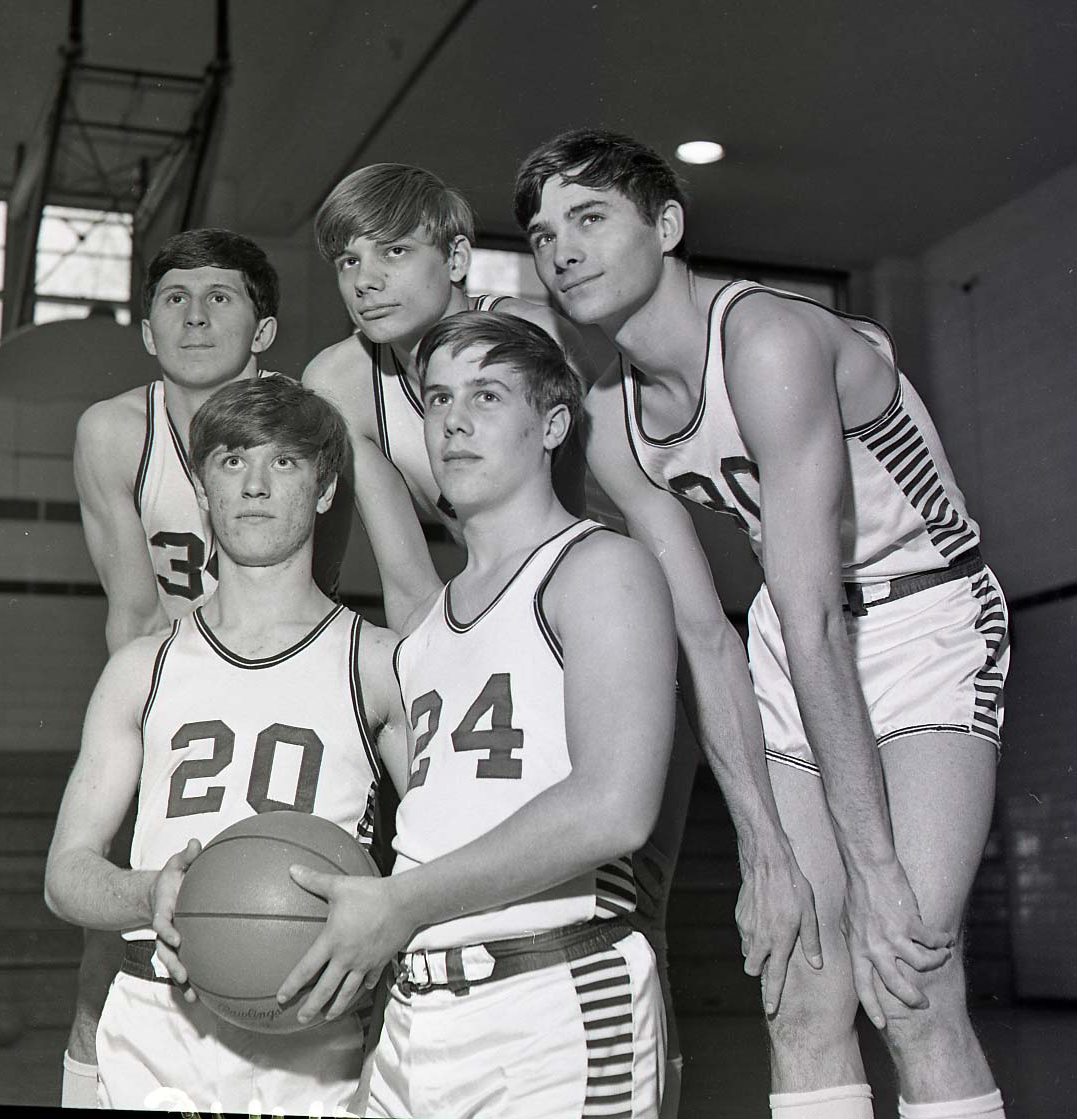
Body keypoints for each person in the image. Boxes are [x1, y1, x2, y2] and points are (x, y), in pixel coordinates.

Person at [514, 129, 1010, 1119]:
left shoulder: (767, 341)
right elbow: (708, 637)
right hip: (792, 634)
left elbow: (817, 613)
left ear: (667, 225)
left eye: (589, 218)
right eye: (540, 234)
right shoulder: (613, 420)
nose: (561, 249)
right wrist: (765, 850)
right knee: (796, 984)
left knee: (907, 975)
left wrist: (871, 869)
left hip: (922, 618)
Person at [262, 310, 676, 1118]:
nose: (453, 419)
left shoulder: (598, 567)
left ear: (552, 424)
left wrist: (400, 905)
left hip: (552, 996)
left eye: (487, 395)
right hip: (416, 1012)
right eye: (439, 398)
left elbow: (614, 807)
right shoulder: (425, 628)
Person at [46, 376, 408, 1114]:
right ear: (202, 491)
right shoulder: (141, 669)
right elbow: (65, 875)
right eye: (232, 460)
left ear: (325, 488)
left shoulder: (380, 663)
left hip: (314, 1028)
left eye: (285, 461)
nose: (255, 484)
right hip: (158, 1018)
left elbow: (441, 854)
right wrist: (149, 891)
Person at [61, 228, 281, 1107]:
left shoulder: (304, 424)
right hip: (173, 690)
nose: (194, 316)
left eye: (220, 296)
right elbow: (135, 614)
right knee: (111, 940)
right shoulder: (115, 431)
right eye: (174, 299)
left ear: (263, 329)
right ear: (148, 330)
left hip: (289, 688)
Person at [302, 162, 593, 632]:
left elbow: (577, 519)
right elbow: (408, 586)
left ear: (456, 259)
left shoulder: (534, 339)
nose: (364, 281)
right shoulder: (340, 381)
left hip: (608, 578)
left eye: (394, 251)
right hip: (509, 595)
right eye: (349, 261)